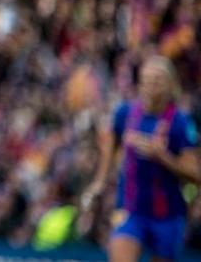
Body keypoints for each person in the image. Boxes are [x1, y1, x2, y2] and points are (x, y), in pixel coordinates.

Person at [82, 57, 200, 262]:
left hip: (167, 215)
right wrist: (99, 182)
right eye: (147, 80)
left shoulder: (181, 123)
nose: (151, 86)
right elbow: (110, 143)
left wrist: (163, 157)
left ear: (170, 84)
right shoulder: (125, 113)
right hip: (131, 209)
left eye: (158, 80)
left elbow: (195, 174)